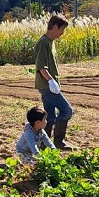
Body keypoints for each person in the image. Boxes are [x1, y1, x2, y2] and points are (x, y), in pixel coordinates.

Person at [33, 14, 74, 150]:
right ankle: (58, 141)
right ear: (55, 27)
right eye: (62, 29)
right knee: (67, 110)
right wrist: (51, 81)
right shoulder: (43, 42)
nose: (62, 33)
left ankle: (45, 144)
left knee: (49, 116)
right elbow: (40, 67)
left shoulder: (51, 42)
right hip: (46, 85)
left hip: (49, 85)